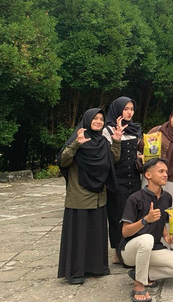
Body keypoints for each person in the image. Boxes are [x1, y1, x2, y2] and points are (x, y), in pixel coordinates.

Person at [57, 108, 122, 285]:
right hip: (79, 196)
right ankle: (75, 272)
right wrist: (77, 144)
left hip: (99, 195)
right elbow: (62, 161)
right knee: (79, 235)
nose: (99, 121)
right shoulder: (77, 139)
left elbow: (112, 160)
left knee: (96, 234)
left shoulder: (102, 141)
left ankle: (96, 267)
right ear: (87, 120)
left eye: (101, 119)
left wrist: (116, 141)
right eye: (95, 118)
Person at [119, 158, 173, 302]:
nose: (165, 174)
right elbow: (125, 232)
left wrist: (168, 236)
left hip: (153, 249)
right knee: (147, 238)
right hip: (130, 250)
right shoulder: (135, 198)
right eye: (161, 171)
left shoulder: (167, 197)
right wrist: (145, 220)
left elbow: (163, 223)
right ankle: (139, 285)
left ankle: (142, 273)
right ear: (148, 175)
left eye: (166, 171)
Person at [104, 97, 143, 264]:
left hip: (134, 178)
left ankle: (130, 249)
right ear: (117, 110)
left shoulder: (135, 128)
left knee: (133, 214)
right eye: (126, 108)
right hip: (116, 179)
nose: (129, 112)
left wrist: (141, 157)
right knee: (116, 215)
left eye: (132, 109)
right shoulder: (107, 130)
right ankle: (117, 251)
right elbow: (109, 158)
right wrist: (117, 139)